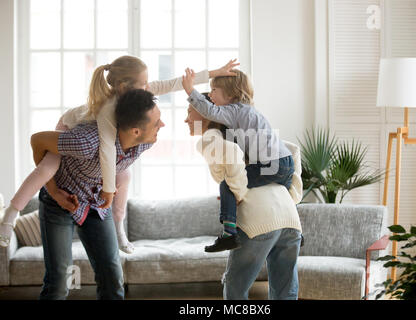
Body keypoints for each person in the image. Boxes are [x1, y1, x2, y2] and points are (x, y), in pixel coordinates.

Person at [0, 56, 239, 254]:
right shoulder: (108, 109)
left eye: (147, 81)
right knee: (47, 169)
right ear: (124, 87)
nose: (148, 86)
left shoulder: (138, 93)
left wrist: (216, 71)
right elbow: (106, 149)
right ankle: (10, 215)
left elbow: (173, 83)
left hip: (98, 145)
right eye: (143, 82)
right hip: (68, 127)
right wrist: (107, 189)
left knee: (124, 177)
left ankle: (119, 229)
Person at [31, 89, 161, 300]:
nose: (161, 126)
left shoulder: (146, 141)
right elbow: (37, 141)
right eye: (157, 123)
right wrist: (54, 192)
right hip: (59, 201)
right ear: (136, 131)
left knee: (112, 276)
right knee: (59, 282)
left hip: (96, 203)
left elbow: (114, 162)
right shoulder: (85, 142)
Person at [184, 96, 303, 299]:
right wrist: (293, 196)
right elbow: (291, 150)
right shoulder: (241, 133)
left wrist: (238, 191)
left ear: (205, 113)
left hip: (258, 221)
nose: (186, 119)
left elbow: (230, 155)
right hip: (290, 219)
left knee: (235, 289)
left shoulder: (210, 136)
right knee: (285, 291)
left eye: (189, 112)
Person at [182, 69, 296, 252]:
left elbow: (209, 111)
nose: (210, 96)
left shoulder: (232, 111)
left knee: (228, 184)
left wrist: (190, 90)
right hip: (286, 162)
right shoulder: (250, 112)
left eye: (214, 91)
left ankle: (228, 234)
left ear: (230, 95)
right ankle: (298, 233)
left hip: (270, 165)